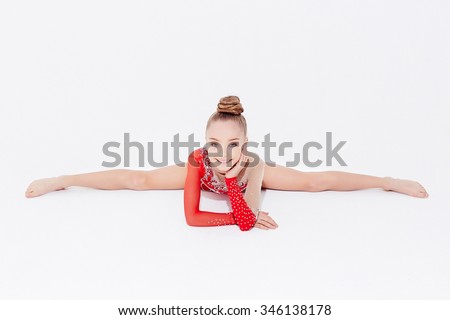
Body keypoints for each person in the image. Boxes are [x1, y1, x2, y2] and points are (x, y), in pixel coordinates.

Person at [25, 96, 429, 231]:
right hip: (207, 184)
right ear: (204, 143)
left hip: (247, 180)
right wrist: (236, 213)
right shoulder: (200, 161)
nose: (223, 153)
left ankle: (386, 181)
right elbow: (193, 219)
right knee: (139, 179)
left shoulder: (251, 164)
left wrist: (239, 186)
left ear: (246, 144)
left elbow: (248, 220)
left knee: (312, 182)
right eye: (215, 143)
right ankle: (63, 179)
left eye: (233, 144)